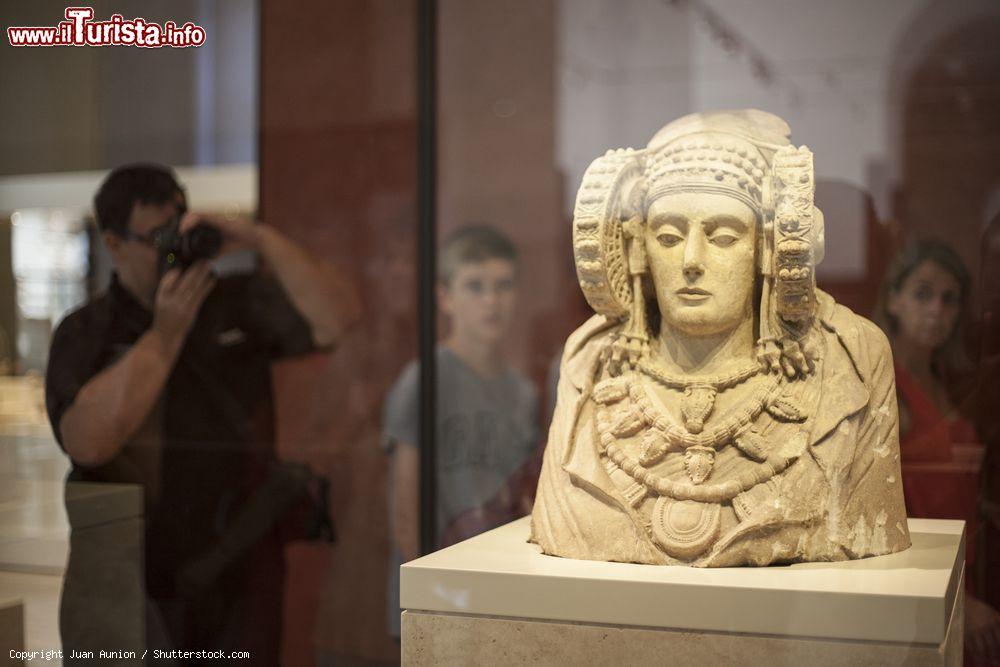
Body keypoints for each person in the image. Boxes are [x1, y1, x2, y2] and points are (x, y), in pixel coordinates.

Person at [531, 110, 910, 567]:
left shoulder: (850, 358)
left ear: (767, 249)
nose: (692, 260)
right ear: (638, 249)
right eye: (668, 237)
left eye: (724, 237)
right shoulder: (589, 362)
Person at [45, 163, 359, 662]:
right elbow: (88, 441)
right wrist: (165, 335)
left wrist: (258, 238)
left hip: (240, 564)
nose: (173, 250)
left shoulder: (231, 303)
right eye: (156, 238)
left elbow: (336, 320)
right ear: (114, 243)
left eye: (179, 232)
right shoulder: (87, 331)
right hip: (138, 571)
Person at [381, 225, 539, 638]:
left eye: (503, 285)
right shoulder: (425, 380)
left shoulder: (523, 393)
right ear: (445, 297)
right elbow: (405, 506)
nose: (492, 301)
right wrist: (430, 599)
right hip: (433, 604)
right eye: (475, 286)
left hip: (497, 600)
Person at [877, 238, 1000, 662]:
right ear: (894, 299)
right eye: (923, 294)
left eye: (950, 300)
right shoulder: (887, 384)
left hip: (966, 560)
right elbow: (886, 509)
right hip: (927, 580)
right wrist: (959, 596)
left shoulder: (941, 378)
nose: (937, 311)